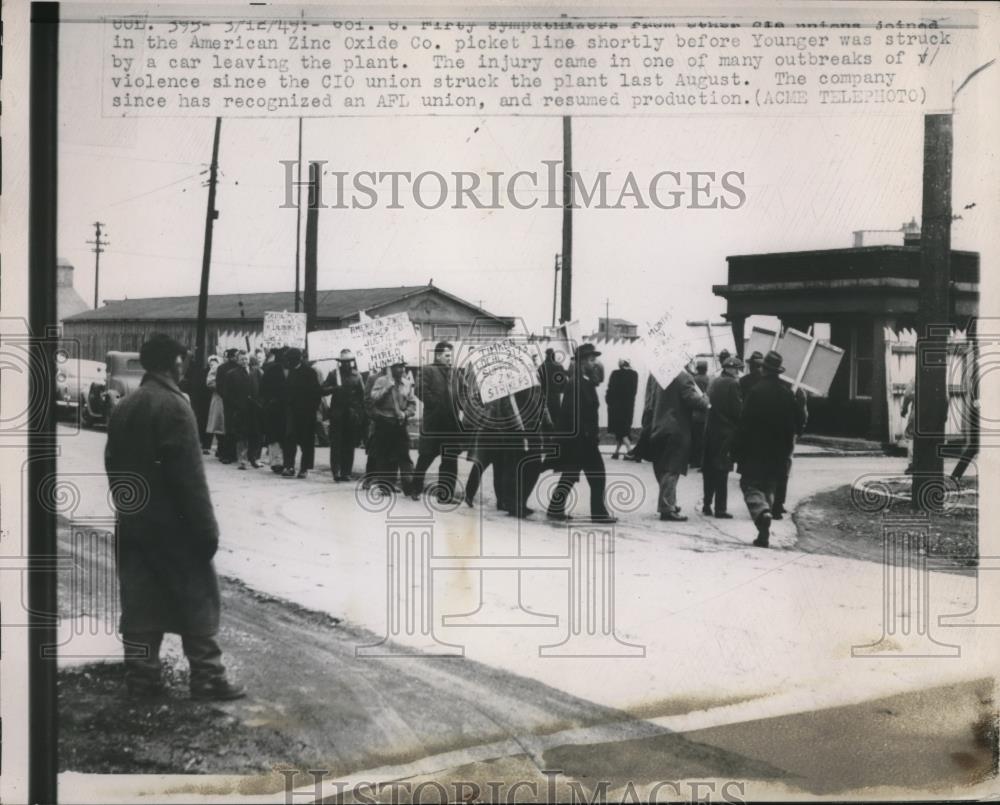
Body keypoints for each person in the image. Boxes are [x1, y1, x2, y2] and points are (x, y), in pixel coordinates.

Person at [104, 334, 245, 701]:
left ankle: (142, 680)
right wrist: (206, 530)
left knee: (140, 602)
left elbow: (112, 465)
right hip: (176, 530)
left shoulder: (125, 405)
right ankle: (208, 677)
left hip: (134, 525)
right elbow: (190, 479)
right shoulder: (175, 407)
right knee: (197, 598)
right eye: (183, 360)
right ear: (176, 363)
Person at [732, 350, 799, 548]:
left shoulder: (756, 391)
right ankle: (764, 534)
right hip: (778, 451)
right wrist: (787, 450)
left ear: (763, 369)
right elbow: (793, 424)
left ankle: (762, 513)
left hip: (755, 449)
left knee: (750, 485)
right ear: (778, 371)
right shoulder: (787, 392)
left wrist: (736, 448)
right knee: (770, 486)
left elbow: (744, 422)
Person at [546, 344, 615, 523]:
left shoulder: (583, 382)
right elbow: (571, 413)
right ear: (582, 362)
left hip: (581, 440)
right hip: (582, 441)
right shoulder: (577, 384)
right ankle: (598, 514)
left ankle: (555, 508)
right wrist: (586, 435)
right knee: (597, 476)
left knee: (570, 474)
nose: (595, 363)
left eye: (595, 359)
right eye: (592, 360)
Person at [646, 363, 710, 522]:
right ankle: (667, 508)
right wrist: (705, 400)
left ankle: (669, 501)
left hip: (659, 426)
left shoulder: (658, 375)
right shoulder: (683, 377)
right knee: (672, 468)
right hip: (676, 428)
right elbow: (692, 400)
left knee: (661, 467)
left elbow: (650, 400)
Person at [413, 342, 462, 501]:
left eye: (451, 356)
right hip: (434, 424)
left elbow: (464, 391)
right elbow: (419, 390)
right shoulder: (428, 370)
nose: (450, 359)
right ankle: (415, 489)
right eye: (447, 356)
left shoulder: (455, 373)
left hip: (451, 425)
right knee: (425, 458)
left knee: (450, 461)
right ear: (438, 355)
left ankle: (445, 495)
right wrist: (436, 404)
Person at [702, 357, 743, 518]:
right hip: (725, 433)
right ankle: (720, 508)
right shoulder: (733, 384)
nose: (738, 372)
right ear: (730, 369)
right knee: (722, 471)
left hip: (710, 431)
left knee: (709, 470)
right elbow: (737, 410)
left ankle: (706, 504)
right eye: (737, 369)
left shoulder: (713, 381)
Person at [369, 361, 417, 495]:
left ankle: (409, 487)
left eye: (403, 366)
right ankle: (386, 486)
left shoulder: (406, 383)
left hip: (400, 423)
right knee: (384, 456)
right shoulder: (381, 380)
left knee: (404, 455)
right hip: (384, 422)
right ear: (391, 368)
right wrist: (386, 389)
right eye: (398, 367)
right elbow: (373, 398)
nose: (402, 369)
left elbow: (412, 404)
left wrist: (405, 413)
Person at [322, 349, 366, 481]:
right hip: (337, 413)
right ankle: (336, 471)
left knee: (349, 444)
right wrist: (334, 388)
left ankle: (346, 472)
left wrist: (359, 413)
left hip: (351, 414)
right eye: (344, 362)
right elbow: (322, 390)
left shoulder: (357, 376)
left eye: (349, 362)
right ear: (340, 362)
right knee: (336, 443)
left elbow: (362, 396)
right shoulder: (334, 374)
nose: (347, 364)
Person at [282, 348, 322, 479]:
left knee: (306, 442)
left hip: (306, 414)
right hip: (292, 413)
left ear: (296, 359)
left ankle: (304, 469)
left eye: (289, 359)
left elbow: (316, 394)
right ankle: (289, 466)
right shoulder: (291, 372)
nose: (287, 362)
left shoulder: (310, 372)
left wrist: (312, 411)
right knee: (289, 440)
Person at [772, 387, 808, 519]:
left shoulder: (782, 389)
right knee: (784, 468)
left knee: (777, 468)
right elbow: (802, 413)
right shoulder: (797, 391)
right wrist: (799, 430)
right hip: (788, 434)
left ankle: (776, 503)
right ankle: (778, 503)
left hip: (774, 433)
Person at [223, 350, 257, 470]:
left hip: (253, 409)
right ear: (237, 360)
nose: (244, 361)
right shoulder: (231, 374)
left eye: (246, 359)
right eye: (242, 359)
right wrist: (235, 405)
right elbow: (227, 393)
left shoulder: (255, 371)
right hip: (239, 409)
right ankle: (242, 460)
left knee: (253, 434)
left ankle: (253, 459)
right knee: (241, 435)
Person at [260, 347, 288, 474]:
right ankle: (279, 461)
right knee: (279, 434)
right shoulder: (283, 370)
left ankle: (277, 461)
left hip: (274, 406)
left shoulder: (269, 369)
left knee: (274, 435)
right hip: (278, 406)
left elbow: (262, 389)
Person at [606, 358, 639, 460]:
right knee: (623, 429)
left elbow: (610, 389)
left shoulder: (615, 374)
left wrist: (609, 401)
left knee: (621, 431)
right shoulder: (634, 374)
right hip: (628, 406)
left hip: (616, 407)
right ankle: (616, 452)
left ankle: (630, 452)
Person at [215, 349, 240, 464]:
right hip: (230, 401)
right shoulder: (223, 368)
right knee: (229, 427)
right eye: (236, 356)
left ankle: (231, 454)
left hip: (230, 401)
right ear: (232, 357)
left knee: (231, 427)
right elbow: (219, 385)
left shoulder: (225, 368)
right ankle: (228, 454)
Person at [690, 359, 711, 469]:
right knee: (702, 438)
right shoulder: (709, 379)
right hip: (705, 411)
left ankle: (693, 460)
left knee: (694, 437)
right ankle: (700, 460)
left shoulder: (693, 379)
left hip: (694, 412)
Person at [203, 355, 225, 456]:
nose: (212, 364)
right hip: (215, 398)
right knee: (215, 423)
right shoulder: (212, 370)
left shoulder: (221, 369)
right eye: (210, 363)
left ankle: (220, 448)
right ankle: (208, 446)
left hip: (220, 398)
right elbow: (210, 383)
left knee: (219, 423)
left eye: (214, 362)